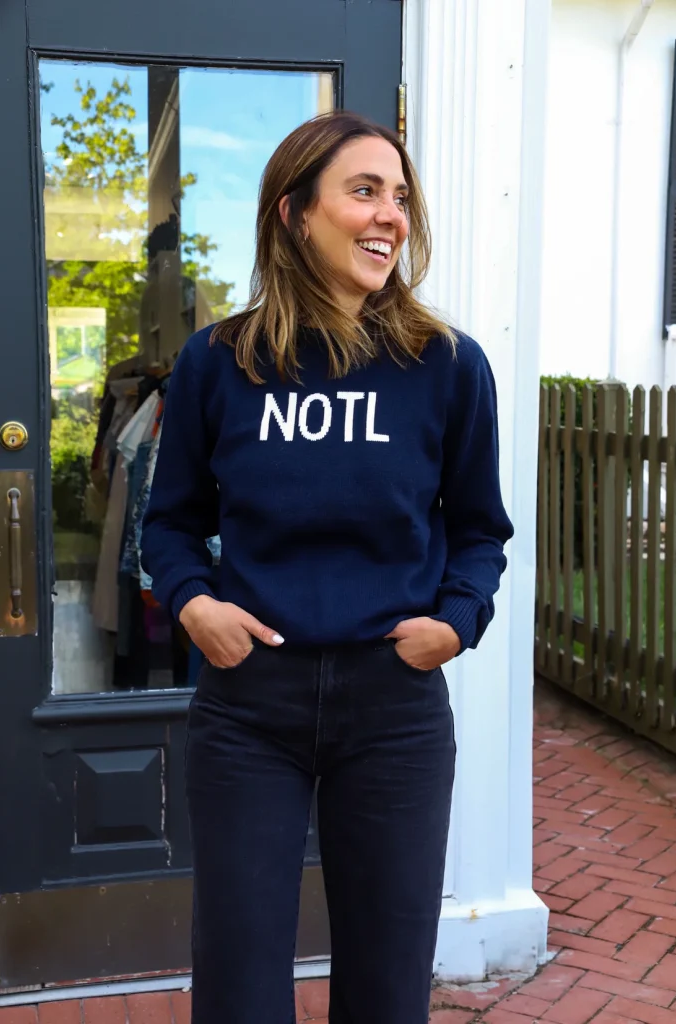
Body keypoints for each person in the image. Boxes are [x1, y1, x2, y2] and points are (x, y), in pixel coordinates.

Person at [141, 110, 513, 1024]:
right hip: (249, 706)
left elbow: (479, 531)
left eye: (400, 196)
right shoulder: (218, 363)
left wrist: (454, 623)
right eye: (364, 191)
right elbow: (170, 525)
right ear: (294, 212)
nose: (390, 215)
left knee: (388, 983)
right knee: (239, 981)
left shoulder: (447, 366)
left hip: (393, 708)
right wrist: (194, 606)